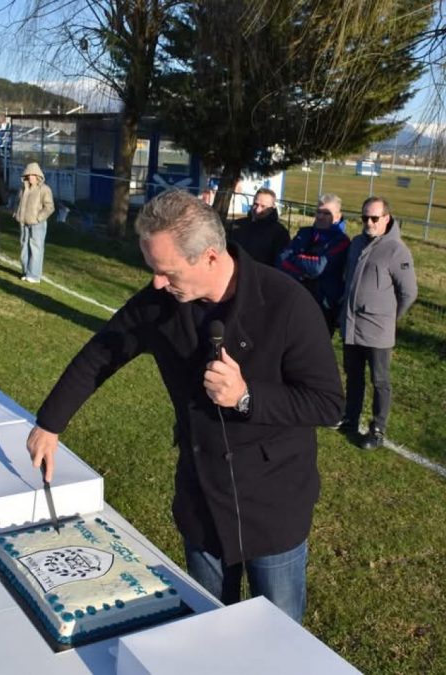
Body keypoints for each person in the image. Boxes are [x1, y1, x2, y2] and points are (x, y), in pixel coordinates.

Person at [26, 190, 343, 623]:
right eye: (153, 270)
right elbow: (101, 353)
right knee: (207, 627)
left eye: (167, 271)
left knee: (279, 635)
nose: (157, 282)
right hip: (202, 499)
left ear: (210, 257)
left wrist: (246, 396)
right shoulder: (160, 303)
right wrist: (50, 423)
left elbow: (327, 404)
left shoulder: (287, 303)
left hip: (274, 504)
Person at [338, 196, 417, 448]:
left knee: (380, 380)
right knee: (354, 376)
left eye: (374, 218)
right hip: (352, 325)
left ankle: (378, 429)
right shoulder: (357, 243)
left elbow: (409, 293)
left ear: (386, 218)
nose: (369, 222)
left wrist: (389, 318)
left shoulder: (397, 250)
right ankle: (350, 418)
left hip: (378, 330)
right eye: (364, 217)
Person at [277, 194, 350, 335]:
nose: (321, 217)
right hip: (297, 298)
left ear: (337, 216)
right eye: (318, 212)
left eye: (327, 213)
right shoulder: (304, 233)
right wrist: (303, 273)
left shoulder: (341, 241)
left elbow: (318, 268)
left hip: (323, 305)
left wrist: (296, 259)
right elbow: (281, 260)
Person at [229, 187, 291, 266]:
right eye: (256, 204)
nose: (258, 209)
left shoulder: (280, 233)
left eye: (263, 206)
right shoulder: (237, 225)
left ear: (272, 208)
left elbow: (280, 263)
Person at [14, 162, 54, 283]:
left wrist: (38, 218)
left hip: (37, 224)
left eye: (33, 174)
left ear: (38, 176)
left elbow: (49, 207)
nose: (30, 177)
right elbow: (18, 203)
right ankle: (26, 271)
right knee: (24, 247)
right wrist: (17, 213)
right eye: (28, 174)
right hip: (23, 222)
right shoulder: (22, 189)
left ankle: (34, 275)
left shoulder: (45, 189)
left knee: (36, 248)